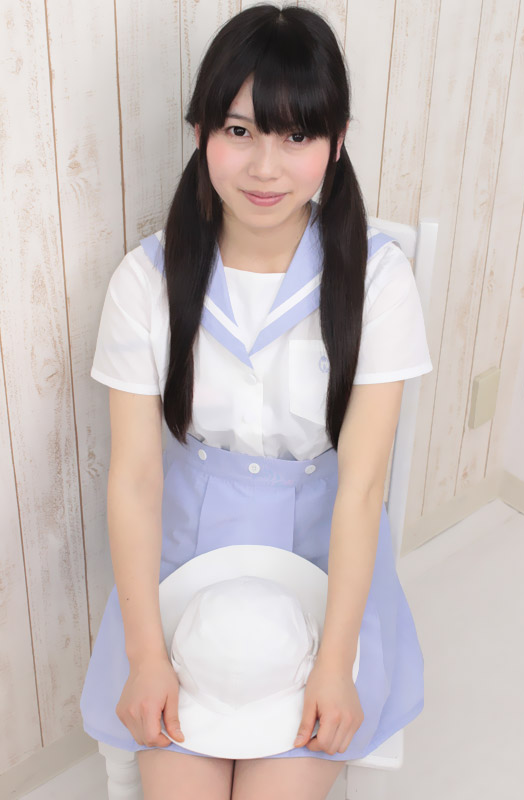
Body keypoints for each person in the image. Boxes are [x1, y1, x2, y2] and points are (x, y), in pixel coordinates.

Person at [80, 4, 433, 799]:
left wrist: (335, 664)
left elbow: (362, 488)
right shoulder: (144, 281)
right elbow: (134, 480)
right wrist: (146, 655)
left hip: (326, 565)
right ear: (201, 132)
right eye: (239, 131)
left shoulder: (377, 281)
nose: (265, 167)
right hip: (182, 569)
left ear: (336, 142)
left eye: (296, 135)